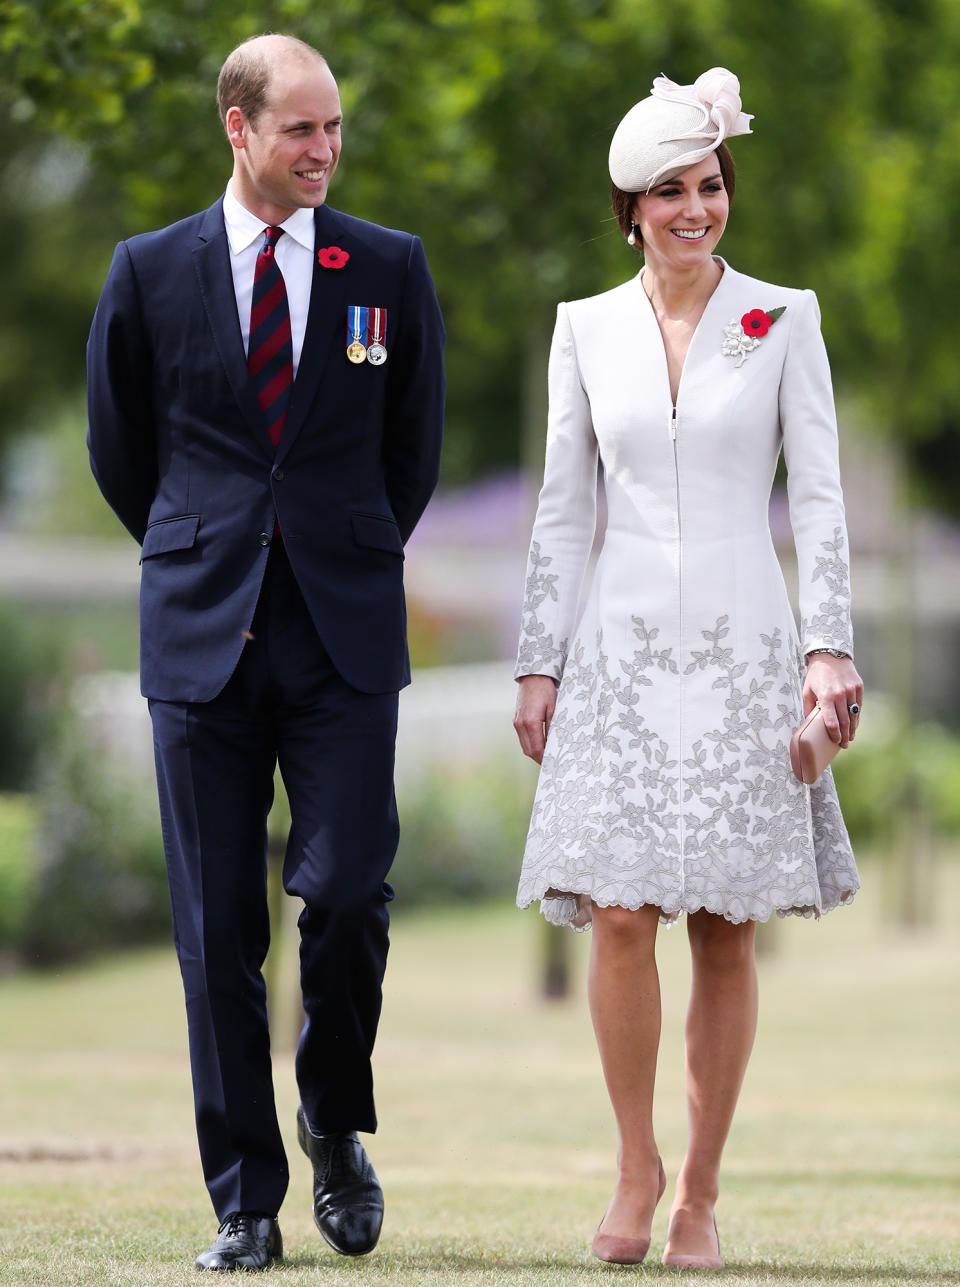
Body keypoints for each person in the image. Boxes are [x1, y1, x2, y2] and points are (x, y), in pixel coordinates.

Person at [87, 33, 444, 1272]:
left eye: (335, 128)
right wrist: (207, 549)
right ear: (238, 130)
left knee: (346, 896)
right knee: (215, 926)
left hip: (343, 634)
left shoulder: (386, 268)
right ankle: (246, 1200)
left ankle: (335, 1119)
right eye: (302, 129)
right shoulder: (146, 273)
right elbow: (122, 452)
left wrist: (335, 551)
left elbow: (415, 454)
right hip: (202, 637)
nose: (326, 150)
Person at [513, 68, 862, 1270]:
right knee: (616, 914)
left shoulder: (785, 317)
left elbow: (817, 501)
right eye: (670, 192)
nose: (696, 208)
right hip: (612, 651)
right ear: (629, 207)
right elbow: (563, 511)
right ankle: (634, 1165)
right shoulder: (583, 329)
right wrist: (536, 662)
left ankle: (701, 1195)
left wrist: (828, 646)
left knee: (722, 924)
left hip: (744, 645)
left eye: (709, 185)